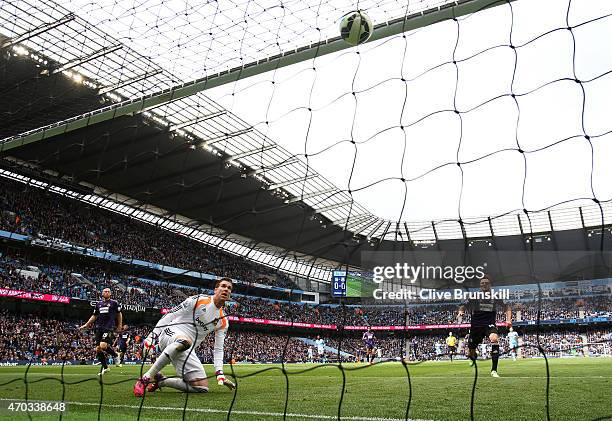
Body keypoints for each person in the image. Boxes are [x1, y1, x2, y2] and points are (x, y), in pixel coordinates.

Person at [133, 278, 235, 396]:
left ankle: (161, 381)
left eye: (229, 288)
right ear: (216, 289)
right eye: (223, 286)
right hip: (170, 333)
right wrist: (152, 336)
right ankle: (145, 378)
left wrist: (219, 373)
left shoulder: (223, 322)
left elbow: (218, 349)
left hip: (187, 348)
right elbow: (171, 314)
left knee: (201, 388)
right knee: (186, 341)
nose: (226, 289)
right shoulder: (198, 300)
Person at [458, 276, 512, 378]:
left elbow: (507, 307)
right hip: (476, 326)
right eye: (482, 283)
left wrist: (508, 319)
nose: (484, 285)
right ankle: (473, 356)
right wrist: (461, 311)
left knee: (494, 338)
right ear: (480, 285)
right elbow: (463, 305)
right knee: (471, 350)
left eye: (486, 283)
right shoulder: (474, 296)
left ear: (490, 284)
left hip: (489, 324)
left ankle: (494, 370)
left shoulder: (495, 296)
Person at [79, 288, 122, 376]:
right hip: (99, 328)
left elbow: (119, 314)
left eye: (108, 291)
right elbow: (94, 316)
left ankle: (115, 355)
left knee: (103, 345)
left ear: (110, 294)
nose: (106, 292)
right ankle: (106, 368)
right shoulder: (98, 304)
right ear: (102, 293)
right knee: (98, 349)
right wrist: (86, 325)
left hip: (109, 327)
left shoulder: (114, 303)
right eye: (104, 291)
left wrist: (119, 325)